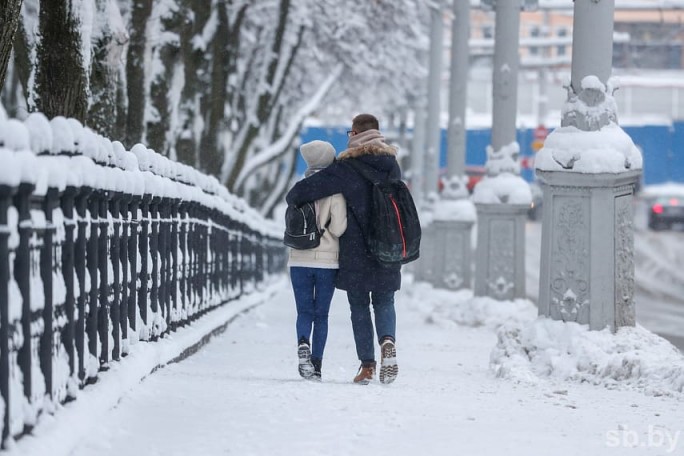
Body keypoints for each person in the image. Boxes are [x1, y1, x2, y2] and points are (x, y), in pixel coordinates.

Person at [286, 114, 401, 385]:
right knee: (385, 300)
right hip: (388, 243)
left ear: (355, 134)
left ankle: (368, 366)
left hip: (356, 249)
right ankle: (387, 341)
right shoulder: (392, 164)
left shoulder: (347, 167)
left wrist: (295, 195)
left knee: (359, 306)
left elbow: (301, 193)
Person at [288, 140, 347, 381]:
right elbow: (340, 228)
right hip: (326, 262)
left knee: (304, 311)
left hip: (298, 260)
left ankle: (303, 342)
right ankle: (317, 364)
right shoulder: (335, 192)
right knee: (321, 315)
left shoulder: (298, 189)